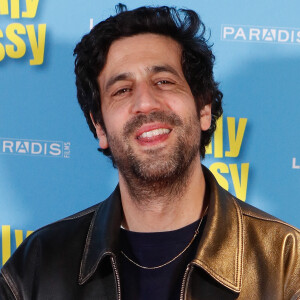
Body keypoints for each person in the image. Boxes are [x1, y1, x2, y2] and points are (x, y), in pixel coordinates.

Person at [0, 4, 299, 300]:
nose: (145, 102)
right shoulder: (35, 268)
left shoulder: (287, 265)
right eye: (122, 90)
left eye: (164, 81)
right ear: (100, 127)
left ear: (204, 107)